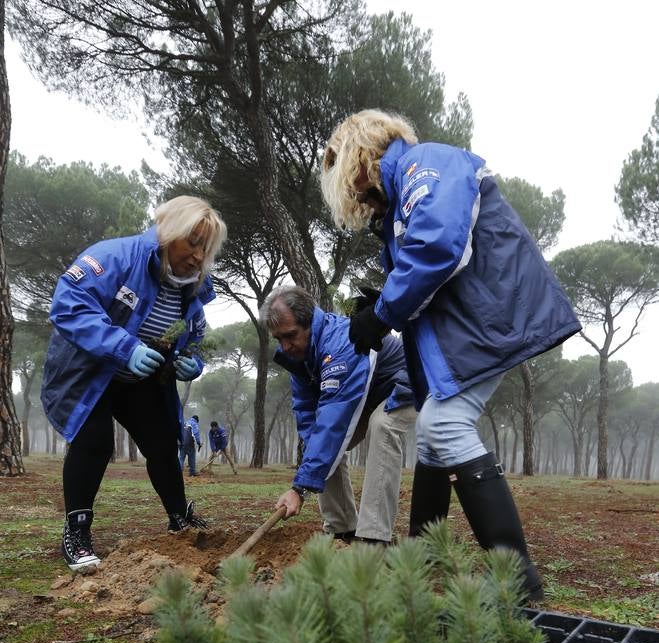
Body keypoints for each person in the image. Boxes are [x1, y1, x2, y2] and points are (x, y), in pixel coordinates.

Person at [320, 109, 582, 599]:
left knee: (444, 426)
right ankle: (420, 562)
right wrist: (377, 306)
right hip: (473, 326)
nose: (354, 197)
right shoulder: (401, 203)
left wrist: (381, 314)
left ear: (360, 158)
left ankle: (522, 585)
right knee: (431, 440)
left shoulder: (426, 164)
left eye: (347, 178)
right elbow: (421, 272)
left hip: (492, 319)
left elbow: (440, 248)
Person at [41, 195, 227, 570]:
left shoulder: (192, 291)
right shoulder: (114, 258)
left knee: (162, 442)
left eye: (205, 249)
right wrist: (124, 348)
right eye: (191, 241)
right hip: (91, 371)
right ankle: (77, 532)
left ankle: (179, 519)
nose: (197, 256)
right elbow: (68, 303)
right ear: (166, 230)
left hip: (139, 378)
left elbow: (190, 338)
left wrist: (191, 363)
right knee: (95, 441)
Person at [261, 285, 416, 544]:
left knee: (382, 426)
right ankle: (342, 527)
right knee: (319, 445)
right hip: (363, 395)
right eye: (279, 339)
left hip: (404, 384)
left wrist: (299, 489)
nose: (286, 347)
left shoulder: (340, 345)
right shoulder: (300, 358)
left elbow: (334, 423)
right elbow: (311, 421)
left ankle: (374, 536)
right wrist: (307, 470)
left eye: (290, 335)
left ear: (310, 322)